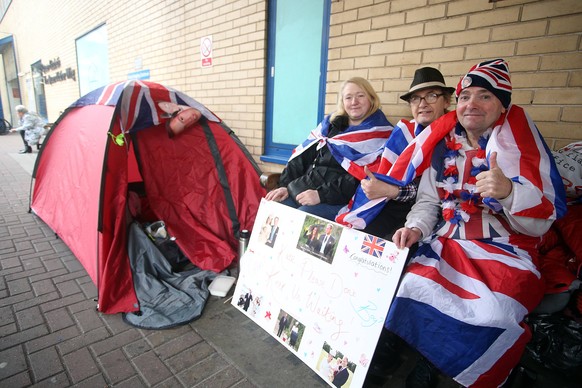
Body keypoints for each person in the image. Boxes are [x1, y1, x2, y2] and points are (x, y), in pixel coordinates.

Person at [376, 59, 566, 388]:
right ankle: (429, 360)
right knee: (412, 288)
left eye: (485, 96)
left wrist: (508, 192)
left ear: (502, 106)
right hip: (448, 243)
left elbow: (538, 227)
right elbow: (428, 202)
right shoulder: (442, 149)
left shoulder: (519, 152)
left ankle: (499, 374)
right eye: (465, 97)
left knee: (492, 313)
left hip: (507, 251)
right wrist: (416, 228)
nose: (472, 104)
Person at [336, 67, 455, 240]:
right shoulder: (404, 133)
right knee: (351, 238)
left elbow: (429, 194)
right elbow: (386, 174)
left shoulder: (456, 137)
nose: (422, 104)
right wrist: (375, 186)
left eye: (431, 95)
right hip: (391, 207)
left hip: (432, 218)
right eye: (415, 98)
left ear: (446, 101)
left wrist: (391, 191)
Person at [265, 77, 393, 220]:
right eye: (348, 97)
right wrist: (285, 186)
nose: (354, 102)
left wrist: (320, 195)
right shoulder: (331, 126)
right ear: (343, 102)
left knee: (302, 218)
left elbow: (360, 179)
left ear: (371, 98)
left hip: (343, 199)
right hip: (309, 188)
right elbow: (302, 157)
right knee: (276, 209)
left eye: (360, 96)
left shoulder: (380, 134)